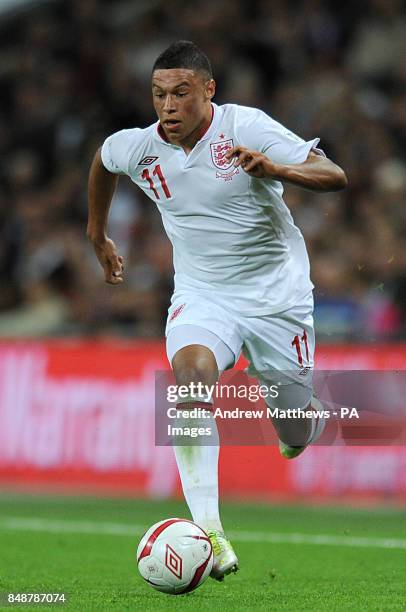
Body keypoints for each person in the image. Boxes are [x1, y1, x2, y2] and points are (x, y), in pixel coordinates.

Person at [87, 40, 347, 581]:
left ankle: (302, 422)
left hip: (278, 299)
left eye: (180, 92)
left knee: (295, 429)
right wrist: (97, 232)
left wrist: (276, 168)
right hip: (204, 295)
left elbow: (334, 175)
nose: (168, 106)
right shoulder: (139, 148)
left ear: (208, 90)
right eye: (159, 94)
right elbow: (102, 161)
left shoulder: (244, 128)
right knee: (188, 379)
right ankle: (210, 532)